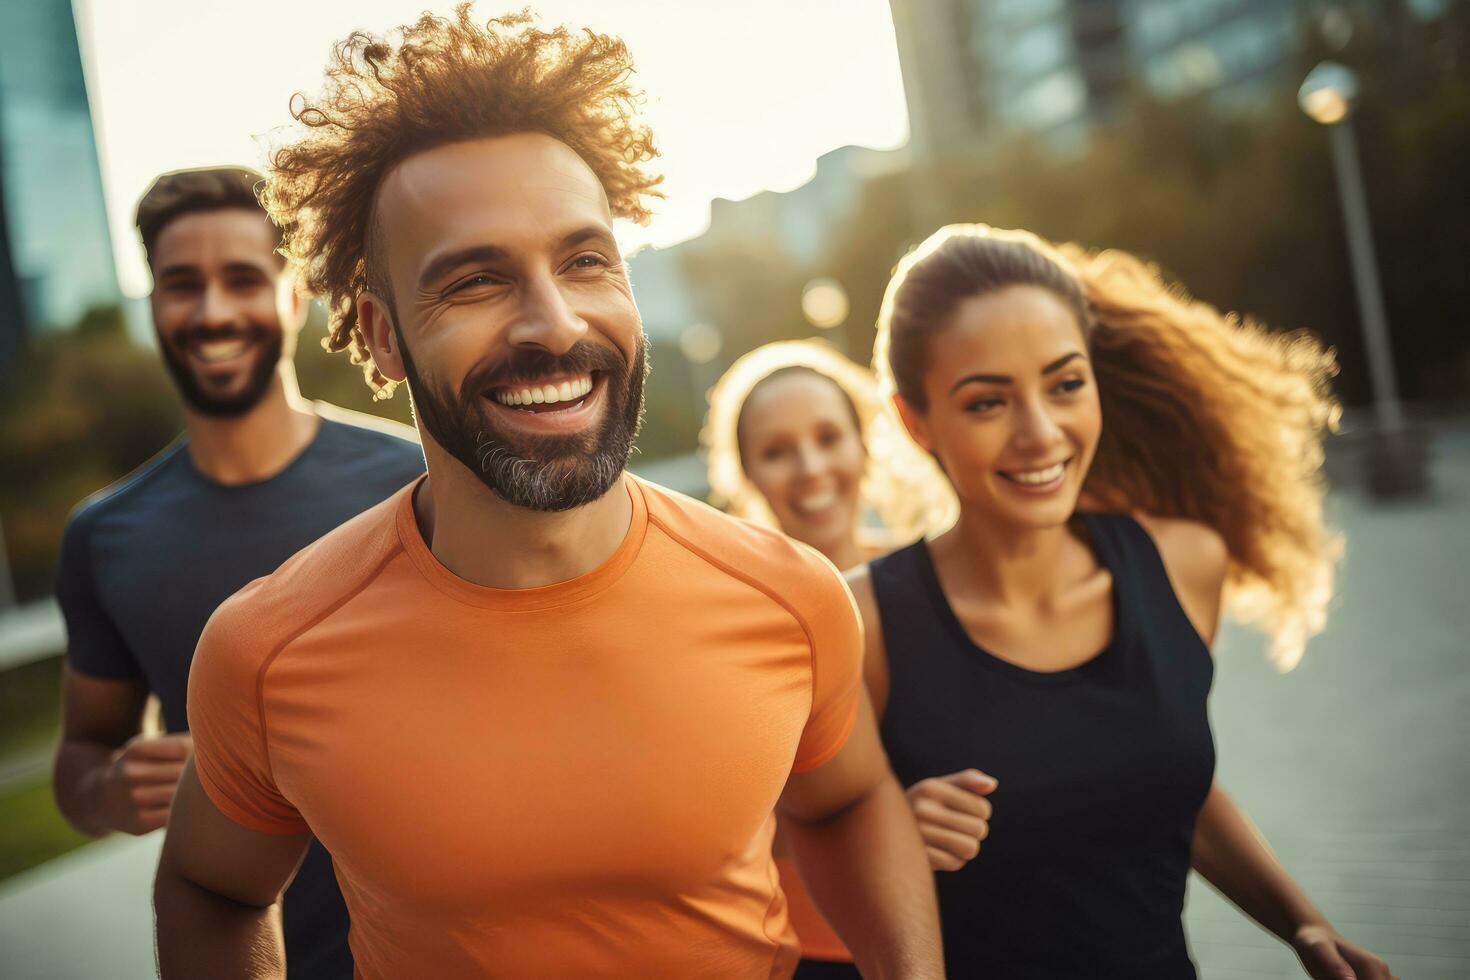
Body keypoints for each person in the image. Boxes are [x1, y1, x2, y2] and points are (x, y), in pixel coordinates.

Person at [152, 11, 942, 979]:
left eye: (584, 260)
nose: (554, 322)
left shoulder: (789, 595)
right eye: (475, 280)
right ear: (383, 334)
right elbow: (211, 886)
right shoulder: (267, 651)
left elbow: (849, 801)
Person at [847, 223, 1396, 978]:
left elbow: (1174, 786)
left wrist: (1303, 926)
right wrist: (884, 837)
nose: (1041, 434)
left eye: (1066, 384)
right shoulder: (863, 623)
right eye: (987, 403)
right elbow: (795, 843)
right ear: (916, 422)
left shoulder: (1182, 564)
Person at [51, 166, 425, 980]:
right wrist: (109, 789)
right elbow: (81, 755)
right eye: (182, 284)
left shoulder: (418, 481)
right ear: (152, 306)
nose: (213, 311)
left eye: (244, 280)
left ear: (293, 299)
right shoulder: (104, 536)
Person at [706, 339, 974, 978]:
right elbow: (718, 825)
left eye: (829, 437)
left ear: (865, 444)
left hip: (965, 925)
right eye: (776, 451)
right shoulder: (728, 621)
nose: (810, 467)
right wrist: (883, 829)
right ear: (745, 474)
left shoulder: (936, 581)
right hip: (813, 953)